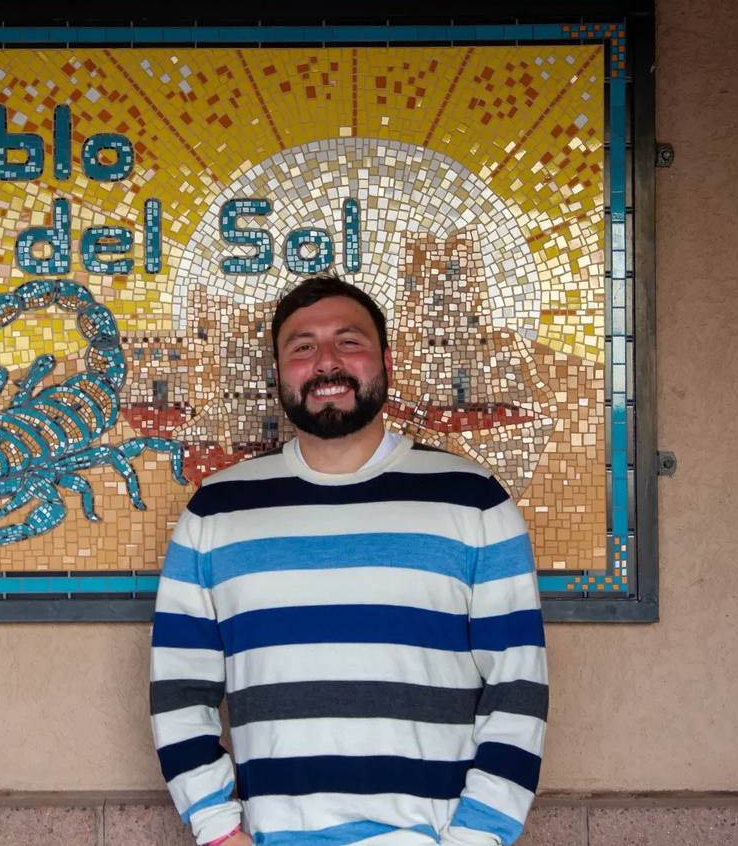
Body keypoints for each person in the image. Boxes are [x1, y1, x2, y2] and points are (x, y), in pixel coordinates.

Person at [149, 276, 548, 846]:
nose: (326, 362)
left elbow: (518, 686)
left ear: (385, 360)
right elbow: (179, 688)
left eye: (348, 341)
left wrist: (478, 836)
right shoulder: (218, 510)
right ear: (279, 372)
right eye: (302, 347)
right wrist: (217, 829)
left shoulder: (473, 500)